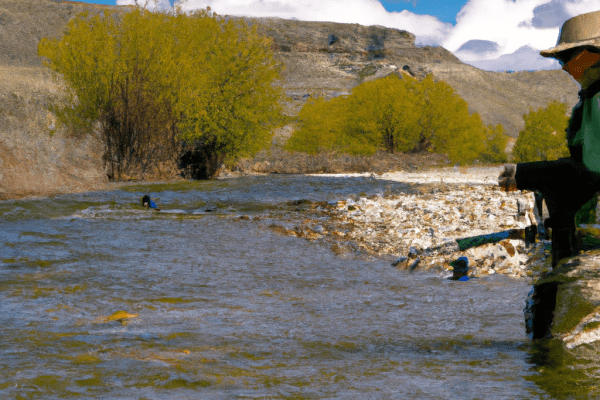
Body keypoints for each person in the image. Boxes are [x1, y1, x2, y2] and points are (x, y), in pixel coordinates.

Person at [499, 10, 600, 267]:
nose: (565, 67)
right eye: (561, 60)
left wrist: (535, 174)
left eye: (570, 57)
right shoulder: (589, 99)